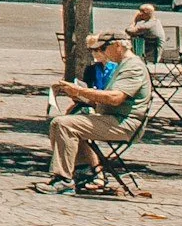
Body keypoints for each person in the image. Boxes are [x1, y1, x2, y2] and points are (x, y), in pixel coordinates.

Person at [39, 33, 149, 195]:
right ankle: (83, 171)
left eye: (104, 48)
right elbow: (108, 100)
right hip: (114, 118)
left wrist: (81, 91)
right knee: (64, 121)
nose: (102, 52)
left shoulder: (133, 67)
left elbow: (116, 98)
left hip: (125, 123)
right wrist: (79, 95)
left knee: (64, 124)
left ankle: (64, 179)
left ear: (118, 45)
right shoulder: (123, 65)